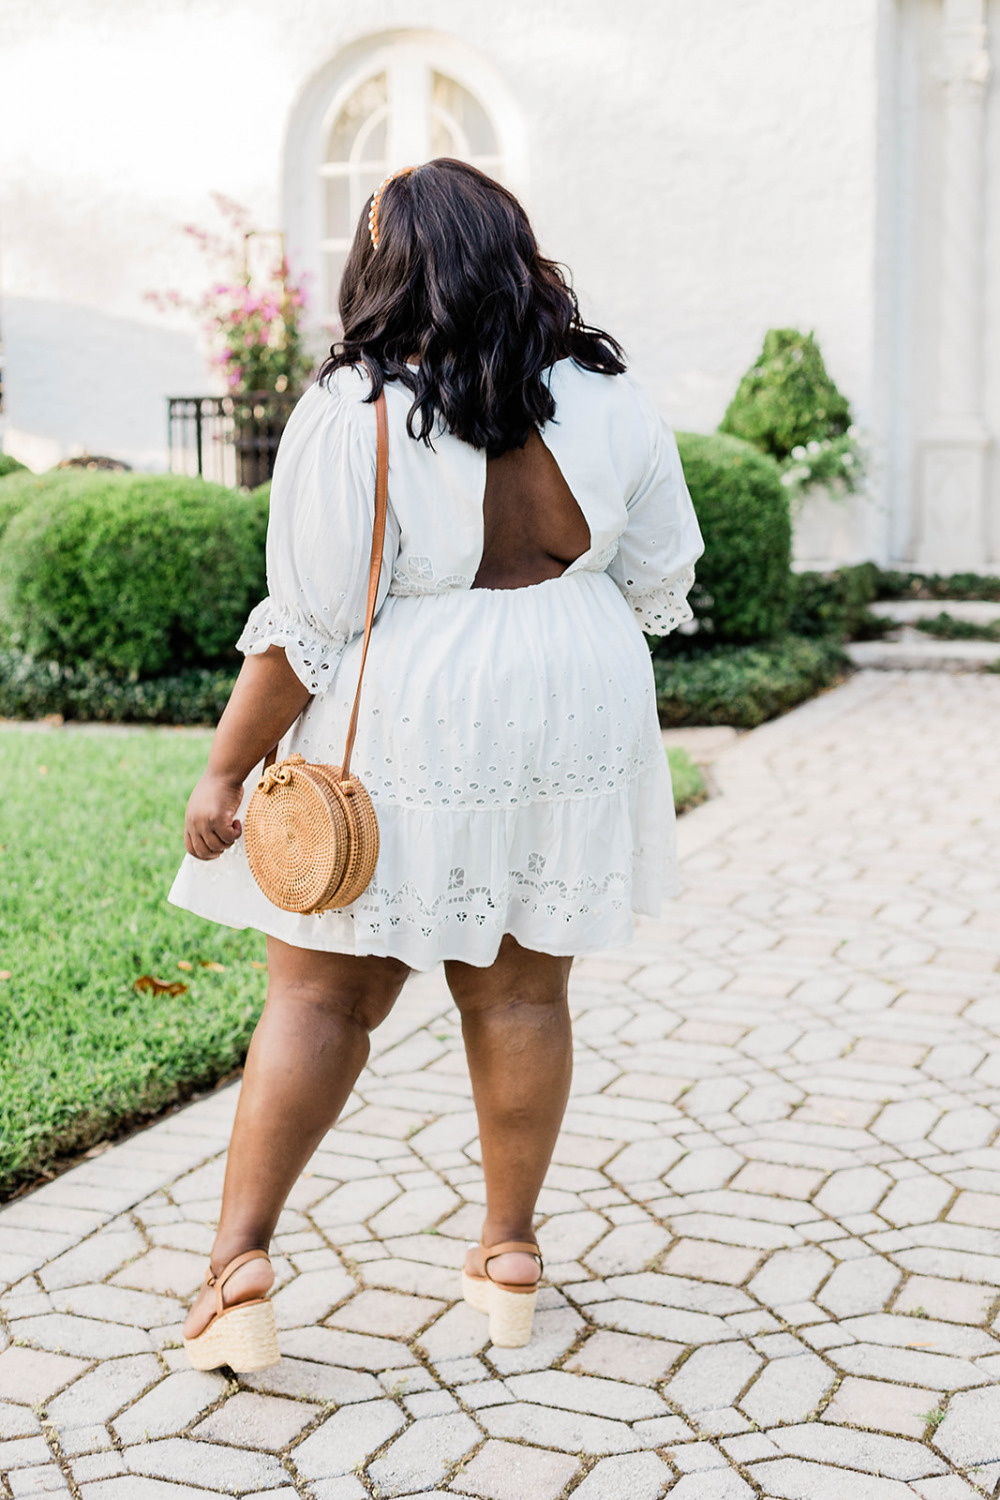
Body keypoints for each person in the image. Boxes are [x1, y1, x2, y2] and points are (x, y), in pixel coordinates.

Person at [169, 158, 703, 1365]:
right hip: (575, 692)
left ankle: (236, 1269)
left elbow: (308, 624)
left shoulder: (356, 404)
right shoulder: (606, 393)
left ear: (381, 264)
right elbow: (662, 571)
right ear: (516, 251)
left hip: (413, 697)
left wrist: (223, 771)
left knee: (318, 992)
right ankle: (508, 1250)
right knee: (522, 988)